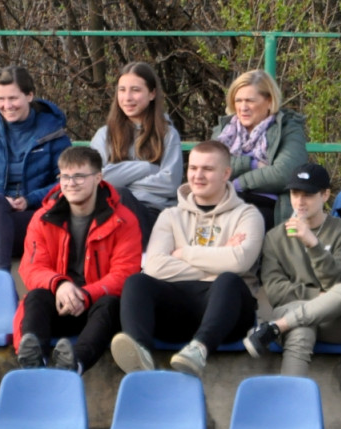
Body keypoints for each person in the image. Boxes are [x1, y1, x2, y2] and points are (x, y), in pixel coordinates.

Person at [110, 140, 264, 378]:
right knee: (137, 282)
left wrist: (184, 254)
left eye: (207, 169)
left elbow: (238, 263)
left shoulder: (248, 215)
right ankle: (140, 354)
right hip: (178, 310)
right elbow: (154, 267)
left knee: (228, 281)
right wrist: (219, 256)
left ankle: (199, 350)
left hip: (226, 314)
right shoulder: (170, 215)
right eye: (193, 168)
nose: (198, 176)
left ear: (226, 173)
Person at [13, 146, 141, 374]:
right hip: (59, 304)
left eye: (79, 176)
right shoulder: (43, 218)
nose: (71, 183)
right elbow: (32, 268)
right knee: (37, 296)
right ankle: (34, 361)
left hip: (97, 307)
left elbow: (125, 274)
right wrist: (59, 284)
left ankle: (75, 364)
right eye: (65, 176)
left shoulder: (123, 220)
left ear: (98, 178)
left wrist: (86, 294)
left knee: (110, 304)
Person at [242, 162, 341, 375]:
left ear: (325, 195)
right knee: (301, 329)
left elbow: (338, 286)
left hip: (336, 322)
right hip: (291, 311)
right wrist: (317, 295)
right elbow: (275, 291)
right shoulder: (274, 237)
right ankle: (290, 403)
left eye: (307, 194)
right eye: (294, 193)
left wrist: (313, 245)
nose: (299, 201)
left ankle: (274, 328)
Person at [0, 65, 70, 271]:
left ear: (29, 95)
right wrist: (1, 199)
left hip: (32, 214)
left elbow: (65, 181)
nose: (7, 106)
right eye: (1, 99)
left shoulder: (54, 133)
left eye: (13, 98)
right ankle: (3, 281)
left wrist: (29, 199)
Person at [90, 62, 182, 247]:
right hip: (111, 211)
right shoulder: (104, 135)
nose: (127, 97)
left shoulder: (167, 134)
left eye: (135, 90)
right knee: (118, 196)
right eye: (122, 90)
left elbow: (170, 184)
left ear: (152, 94)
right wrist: (148, 167)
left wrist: (122, 183)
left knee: (122, 193)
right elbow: (98, 179)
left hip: (153, 213)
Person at [212, 69, 307, 232]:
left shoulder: (288, 129)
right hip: (223, 202)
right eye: (238, 100)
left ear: (269, 101)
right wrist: (253, 164)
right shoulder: (224, 130)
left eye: (250, 101)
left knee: (242, 225)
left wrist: (237, 183)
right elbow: (212, 169)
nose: (243, 107)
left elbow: (284, 175)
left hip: (267, 205)